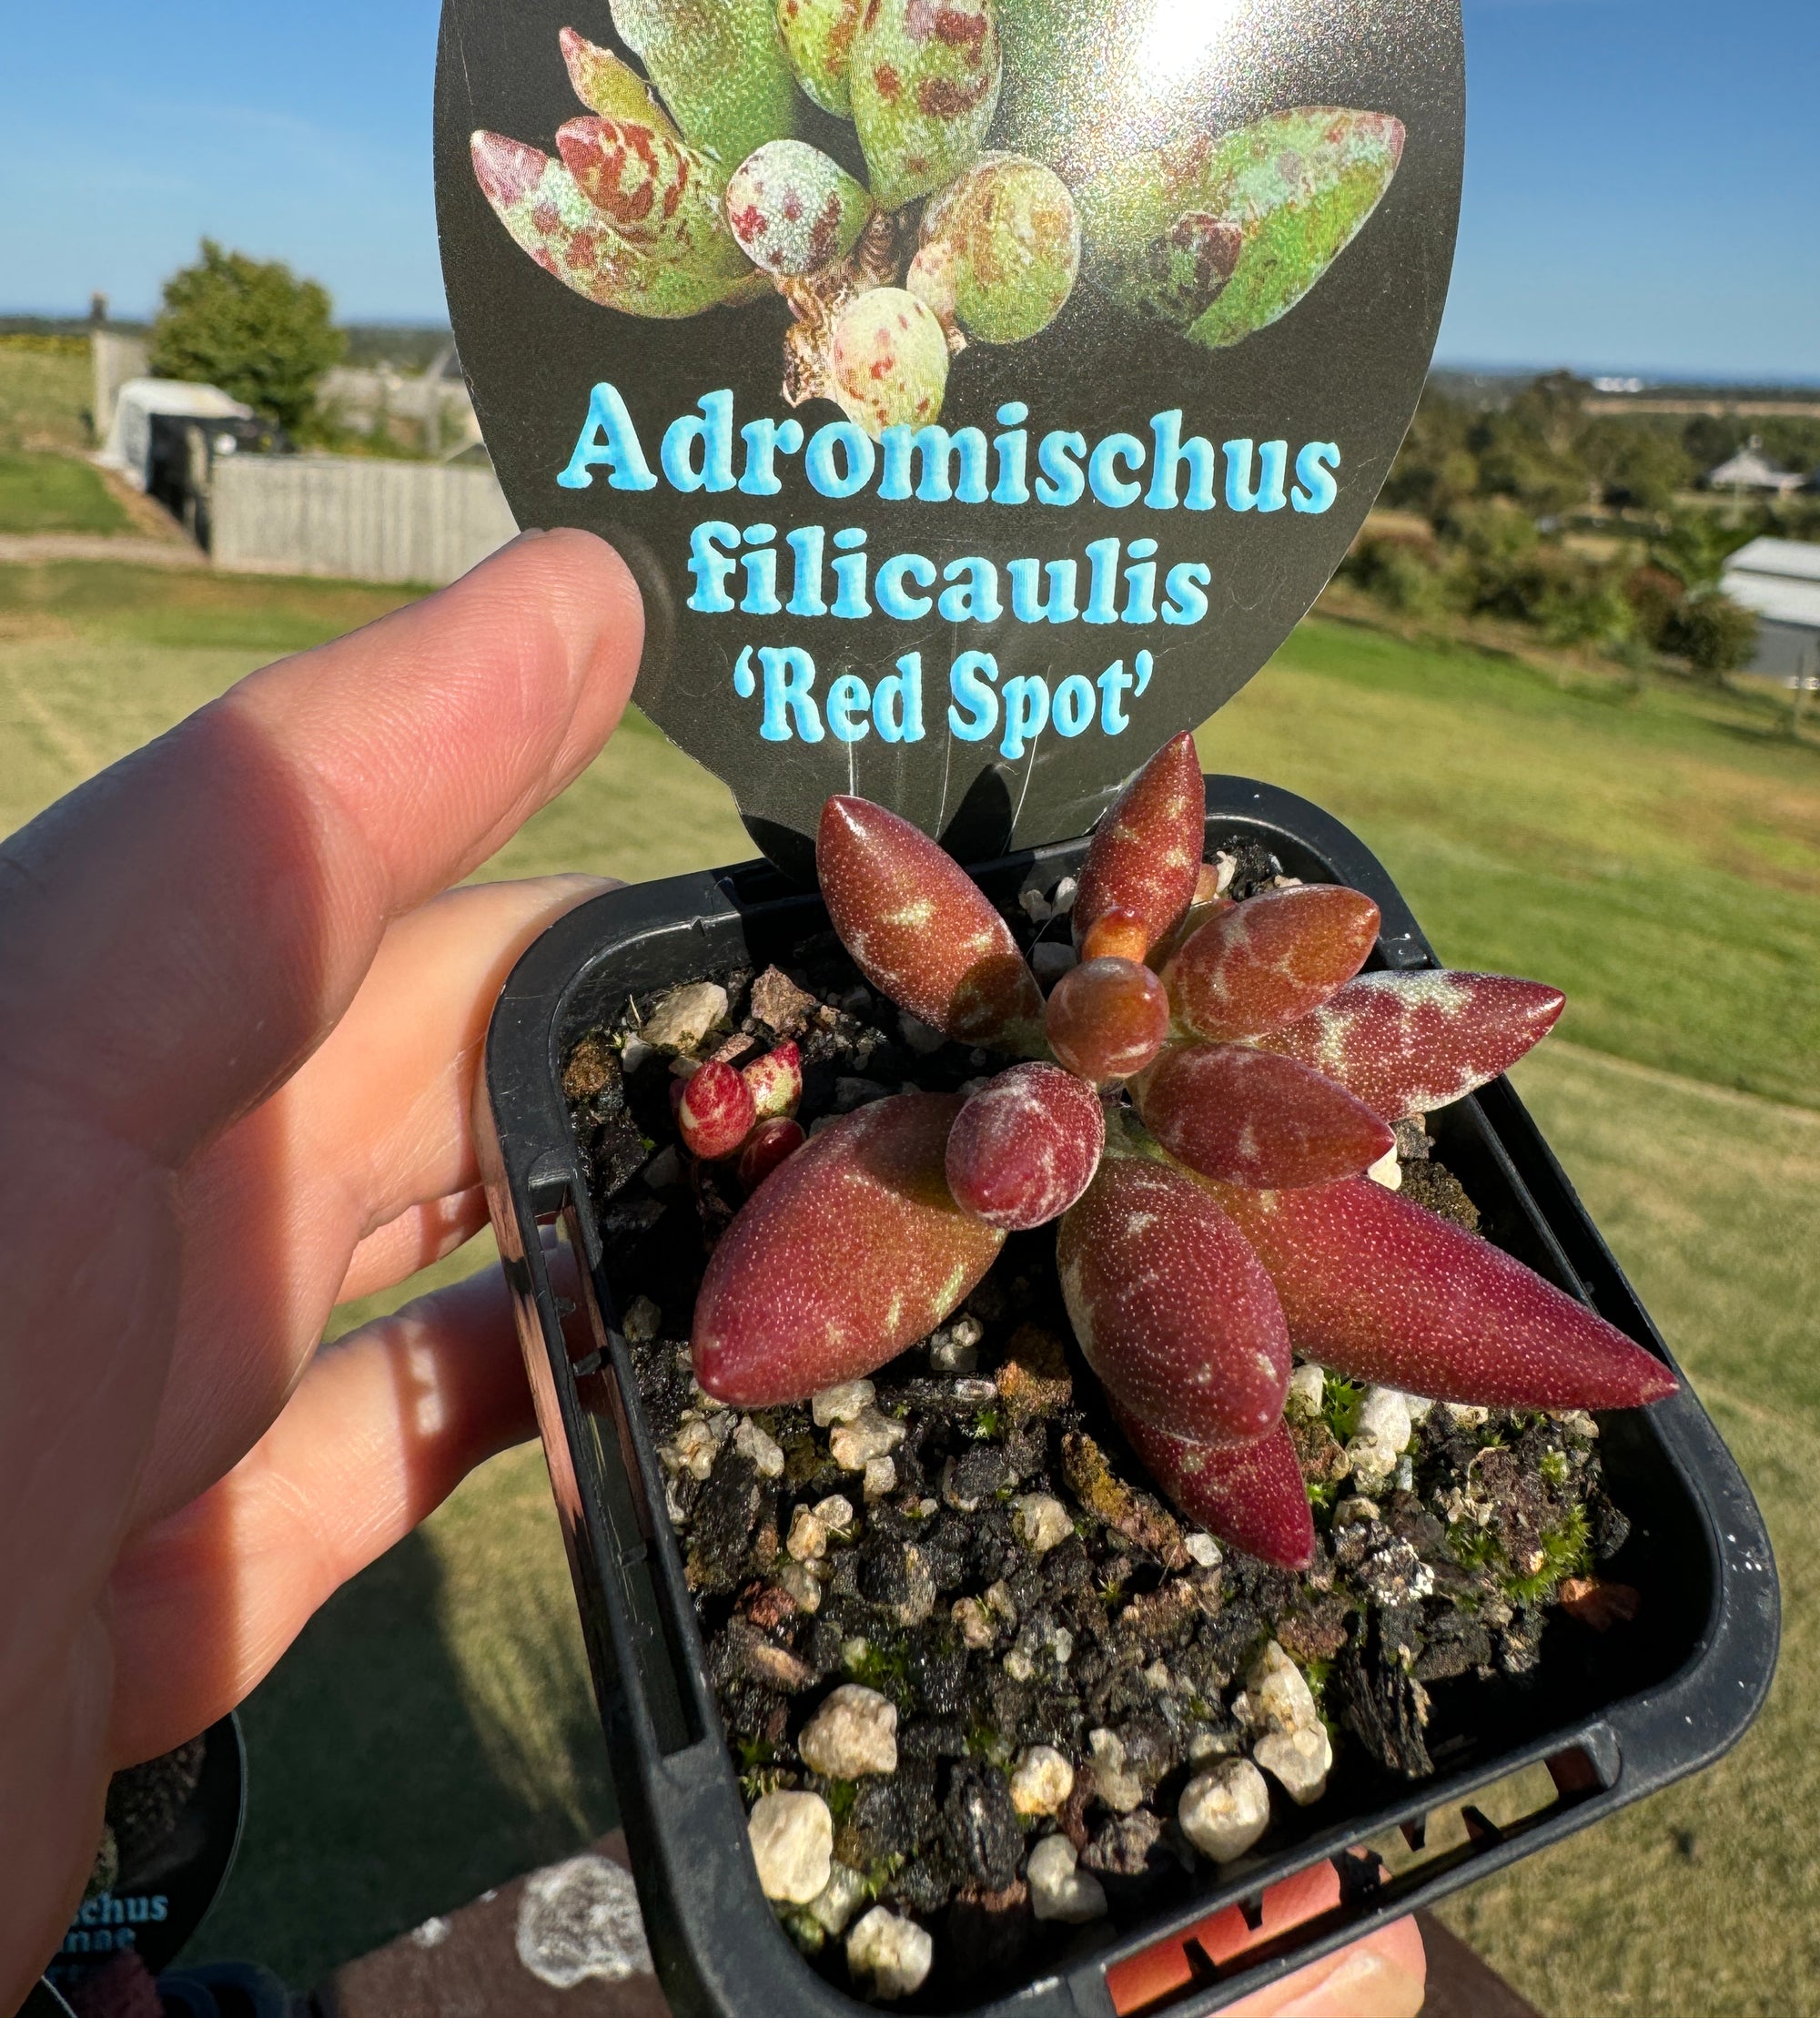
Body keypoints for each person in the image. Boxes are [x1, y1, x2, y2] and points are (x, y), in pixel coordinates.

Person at [0, 532, 1425, 2015]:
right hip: (1005, 1083)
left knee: (1221, 1347)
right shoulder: (990, 1054)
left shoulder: (1200, 1095)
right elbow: (864, 1249)